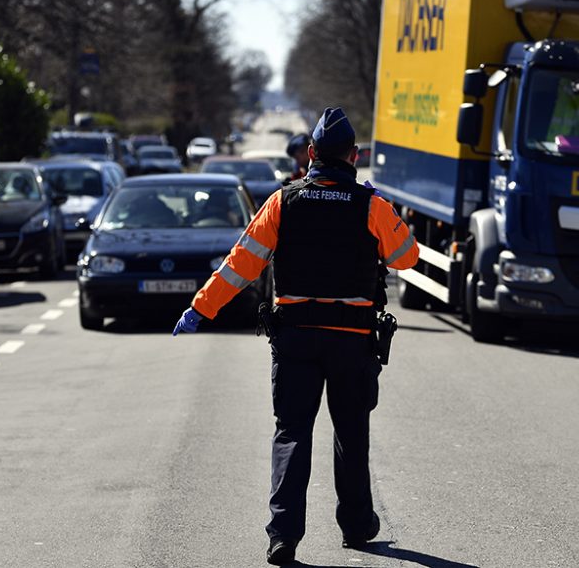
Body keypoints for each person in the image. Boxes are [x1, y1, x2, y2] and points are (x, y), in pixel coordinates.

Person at [172, 106, 420, 566]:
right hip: (351, 339)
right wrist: (386, 214)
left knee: (291, 434)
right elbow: (407, 258)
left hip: (296, 337)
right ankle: (357, 525)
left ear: (310, 155)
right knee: (351, 432)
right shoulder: (371, 206)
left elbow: (241, 263)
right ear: (355, 155)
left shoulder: (283, 202)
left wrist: (200, 307)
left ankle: (283, 535)